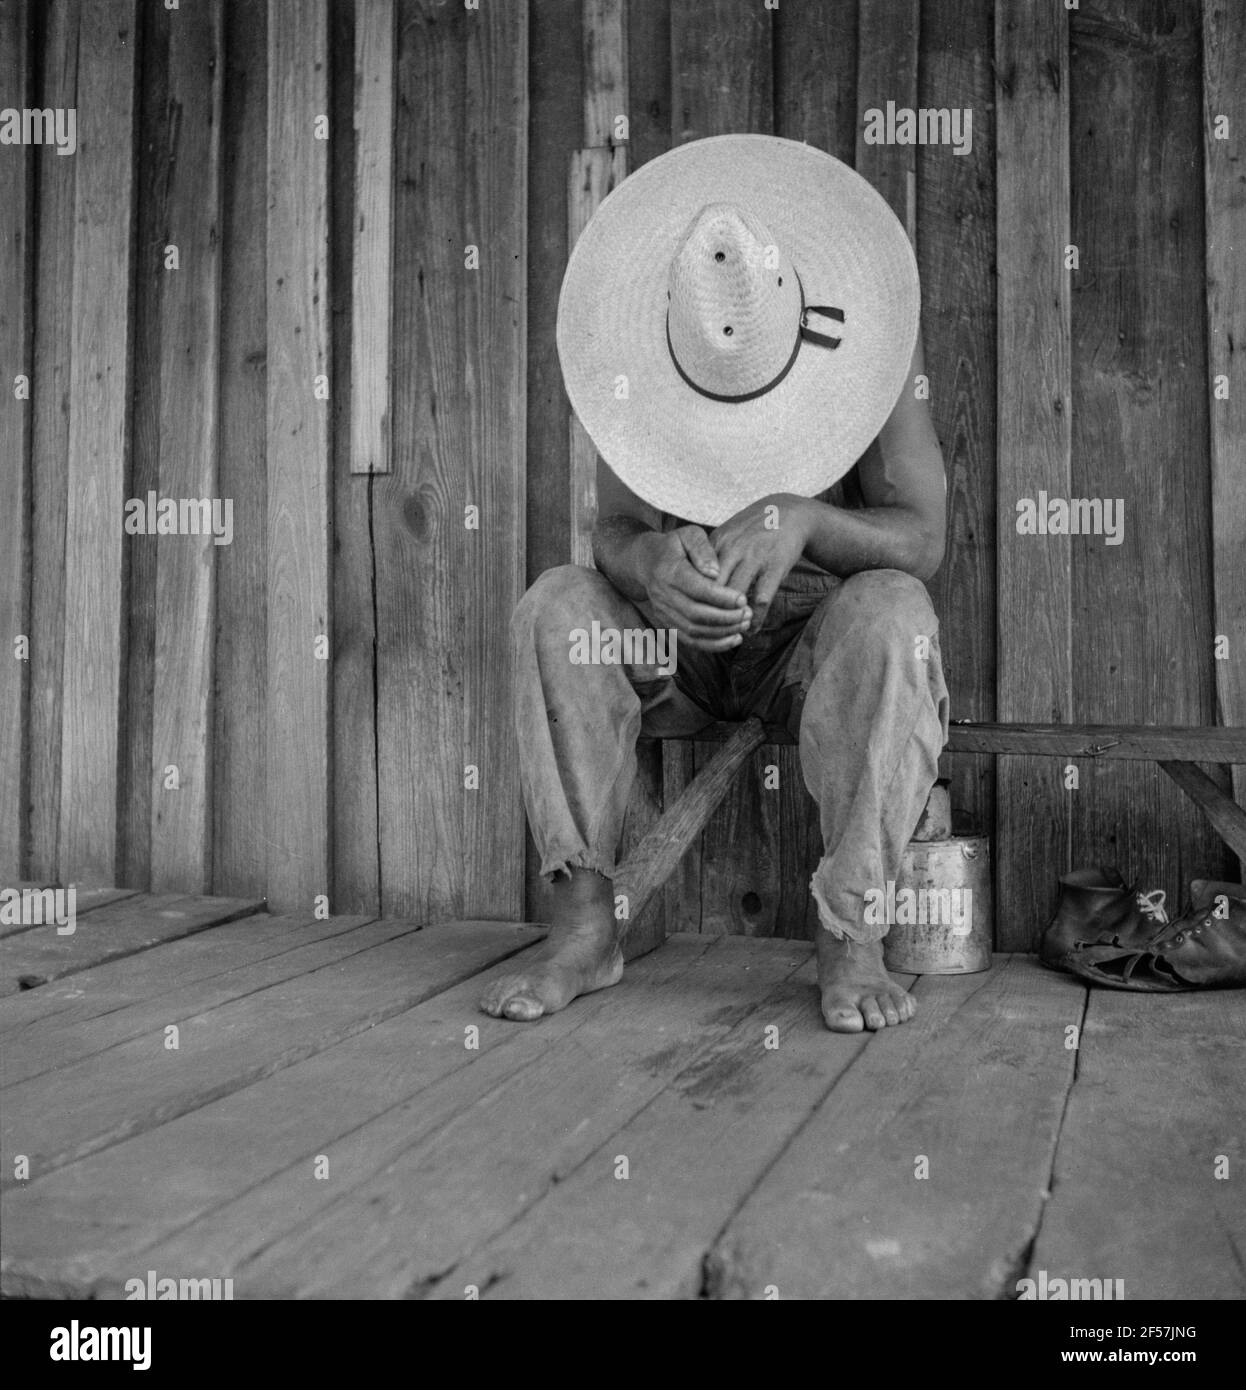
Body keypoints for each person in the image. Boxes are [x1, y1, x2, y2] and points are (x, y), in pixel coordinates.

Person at [480, 135, 949, 1033]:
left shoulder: (874, 340)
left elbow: (922, 540)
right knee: (555, 605)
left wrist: (803, 518)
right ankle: (585, 929)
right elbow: (612, 530)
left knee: (899, 613)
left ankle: (851, 937)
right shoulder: (642, 346)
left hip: (814, 653)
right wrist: (647, 564)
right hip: (680, 645)